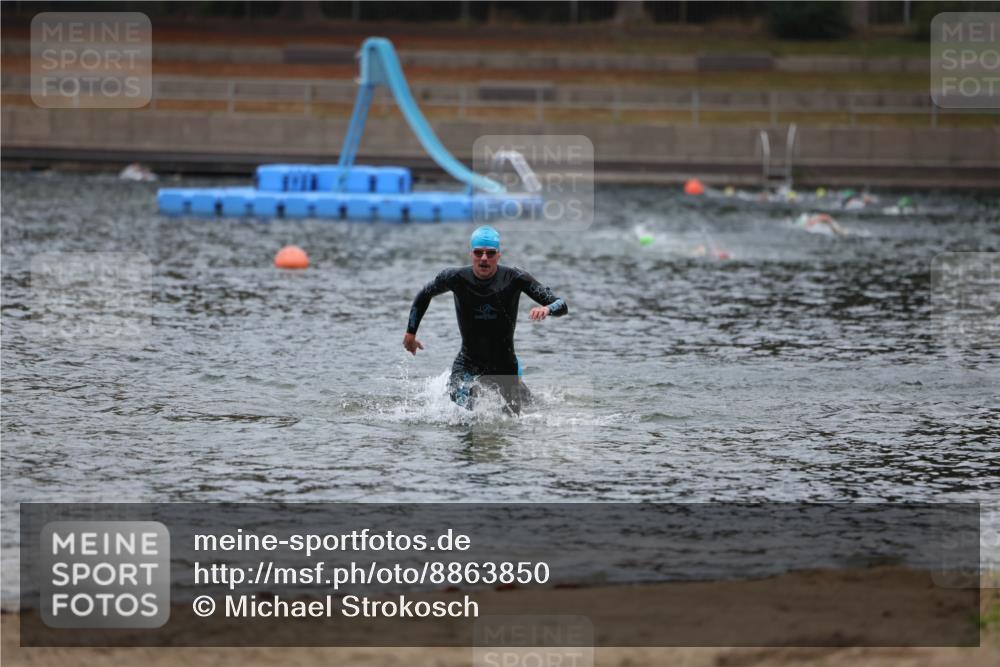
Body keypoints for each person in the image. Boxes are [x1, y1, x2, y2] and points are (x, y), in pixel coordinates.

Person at [403, 226, 568, 413]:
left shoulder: (515, 278)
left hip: (504, 365)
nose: (484, 258)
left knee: (518, 420)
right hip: (468, 362)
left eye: (490, 253)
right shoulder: (455, 277)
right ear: (471, 254)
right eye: (478, 252)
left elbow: (561, 305)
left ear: (498, 255)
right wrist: (411, 333)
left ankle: (521, 391)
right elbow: (425, 294)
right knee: (460, 405)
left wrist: (547, 308)